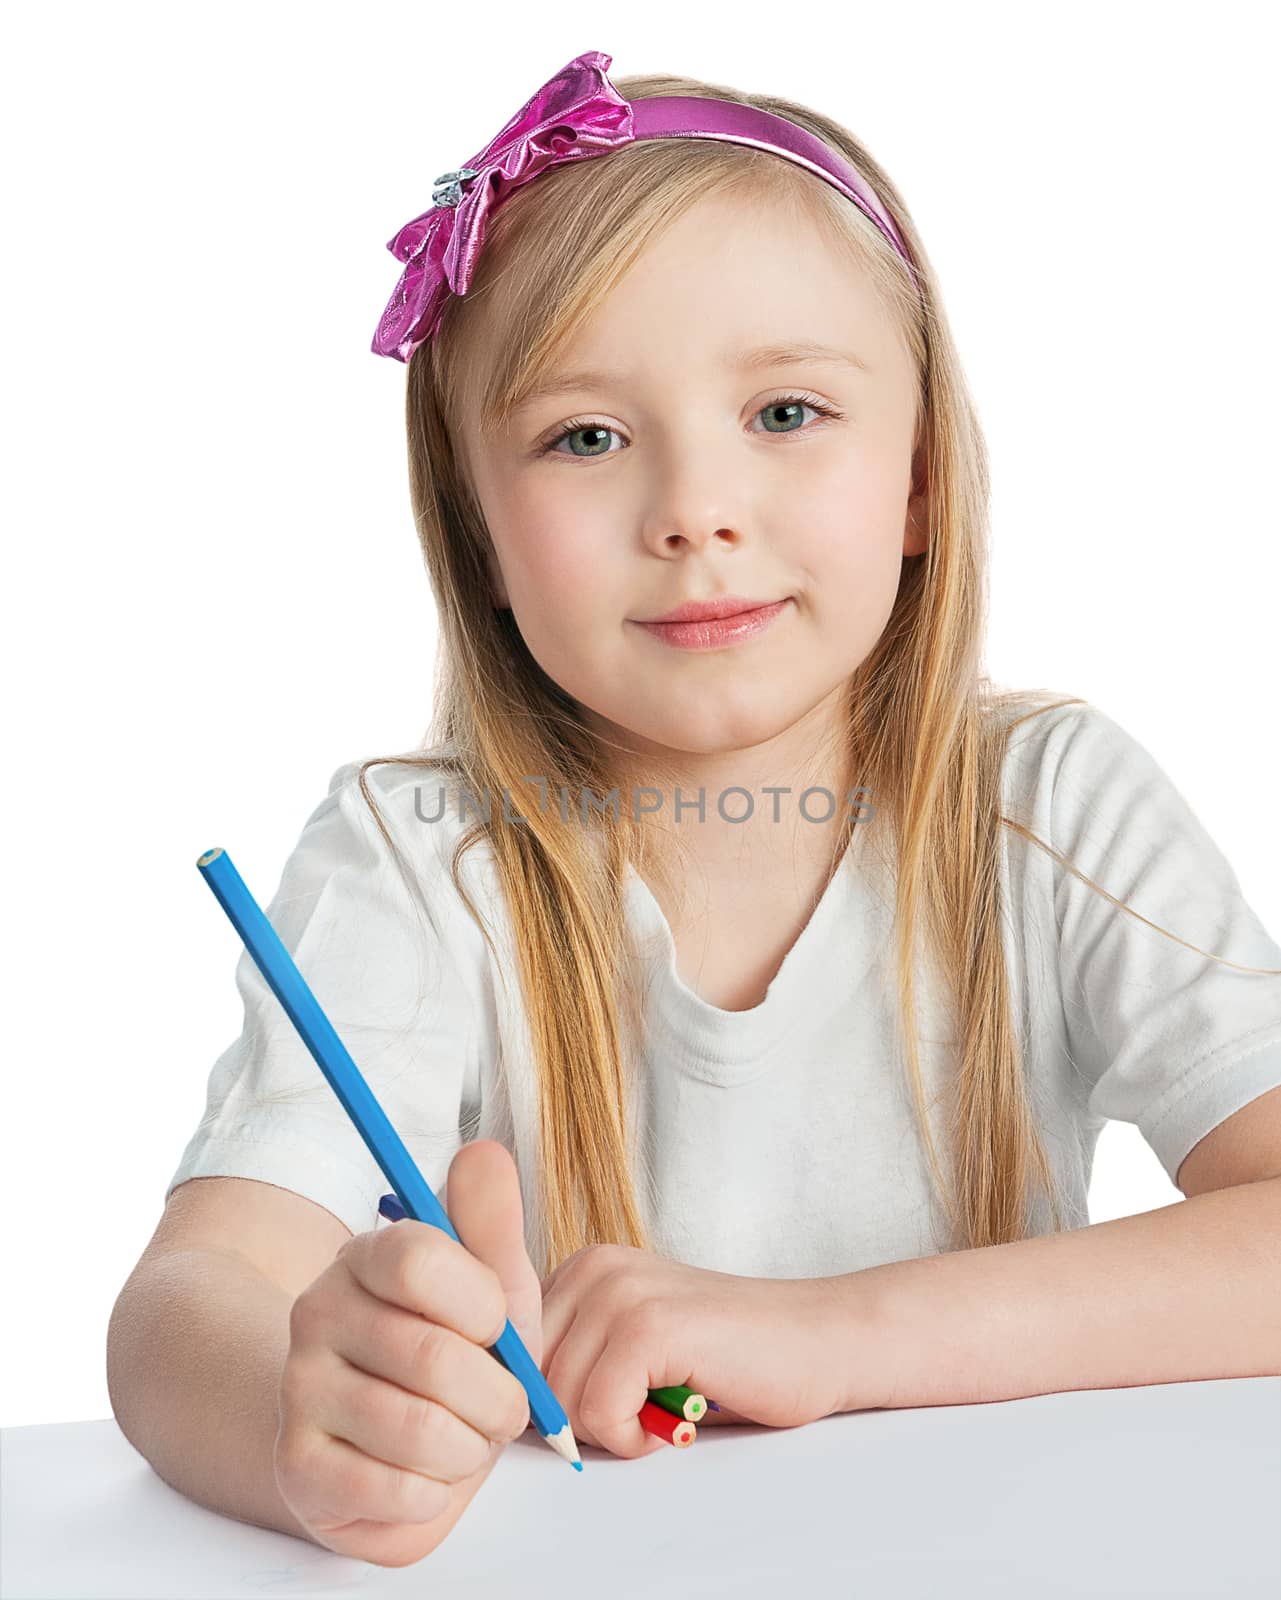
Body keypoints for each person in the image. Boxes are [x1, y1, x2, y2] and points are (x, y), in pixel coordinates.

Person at [107, 49, 1281, 1571]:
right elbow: (183, 1308)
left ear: (920, 477)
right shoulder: (415, 861)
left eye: (786, 410)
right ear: (478, 538)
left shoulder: (1045, 802)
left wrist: (829, 1338)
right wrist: (297, 1418)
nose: (693, 511)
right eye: (584, 438)